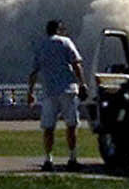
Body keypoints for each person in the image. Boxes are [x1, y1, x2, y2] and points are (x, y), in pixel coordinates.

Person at [26, 19, 85, 171]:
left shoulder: (41, 45)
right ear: (58, 29)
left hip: (49, 91)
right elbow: (76, 63)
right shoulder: (66, 42)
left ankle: (48, 159)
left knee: (48, 128)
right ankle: (72, 158)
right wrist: (82, 83)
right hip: (67, 90)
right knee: (71, 125)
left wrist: (30, 92)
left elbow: (34, 71)